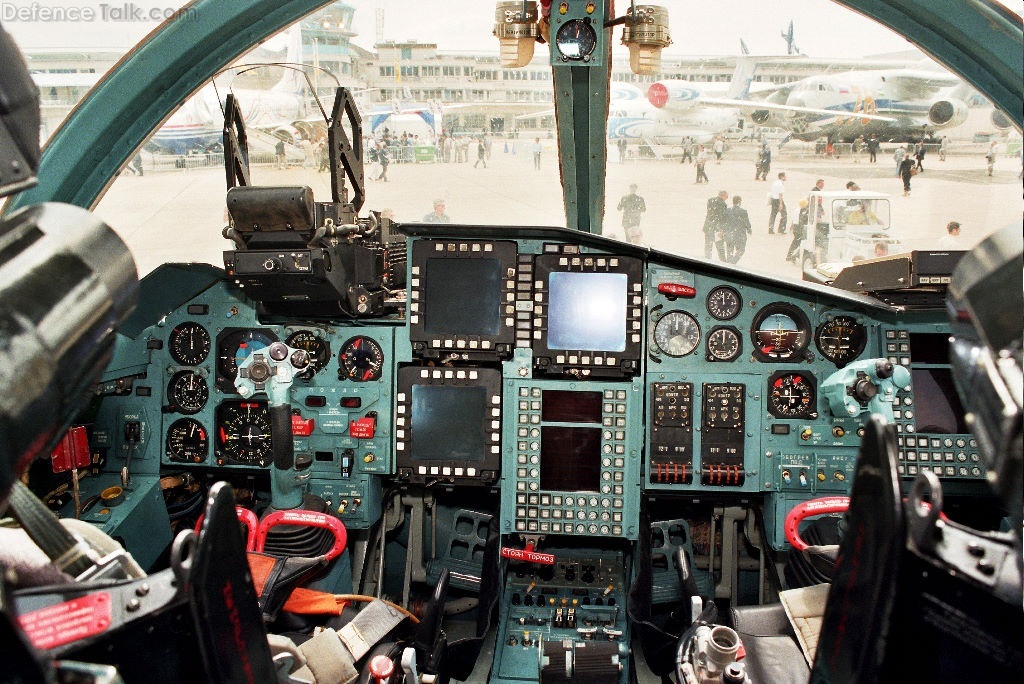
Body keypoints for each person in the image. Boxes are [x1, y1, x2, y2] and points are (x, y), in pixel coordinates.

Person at [703, 190, 729, 261]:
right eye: (726, 197)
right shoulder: (722, 204)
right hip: (717, 229)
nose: (726, 198)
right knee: (720, 247)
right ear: (723, 196)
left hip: (708, 227)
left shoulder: (710, 200)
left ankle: (706, 261)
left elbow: (710, 213)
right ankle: (724, 263)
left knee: (708, 246)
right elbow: (722, 218)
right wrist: (722, 230)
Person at [725, 195, 752, 263]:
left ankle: (728, 264)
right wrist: (749, 229)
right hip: (740, 234)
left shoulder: (728, 210)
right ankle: (733, 262)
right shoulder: (743, 211)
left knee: (729, 250)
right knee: (741, 249)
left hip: (729, 233)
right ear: (739, 202)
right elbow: (747, 222)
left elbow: (724, 221)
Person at [786, 198, 809, 263]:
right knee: (801, 243)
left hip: (795, 227)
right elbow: (801, 221)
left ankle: (790, 255)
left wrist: (791, 227)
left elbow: (793, 219)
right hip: (799, 228)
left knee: (795, 242)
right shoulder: (802, 211)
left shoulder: (796, 210)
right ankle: (794, 256)